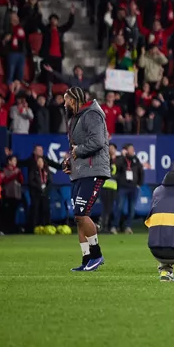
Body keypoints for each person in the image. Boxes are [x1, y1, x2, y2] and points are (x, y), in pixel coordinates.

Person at [65, 86, 111, 272]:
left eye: (66, 99)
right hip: (81, 171)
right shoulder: (77, 117)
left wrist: (78, 151)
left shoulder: (92, 114)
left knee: (82, 214)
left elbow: (98, 141)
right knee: (78, 216)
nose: (64, 103)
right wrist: (70, 160)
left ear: (75, 100)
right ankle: (86, 258)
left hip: (93, 170)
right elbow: (76, 147)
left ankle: (97, 254)